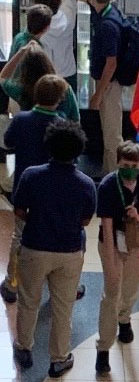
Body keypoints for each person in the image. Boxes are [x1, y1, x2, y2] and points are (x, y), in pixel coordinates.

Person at [12, 120, 96, 378]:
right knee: (63, 307)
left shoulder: (31, 175)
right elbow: (85, 221)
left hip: (35, 247)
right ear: (78, 150)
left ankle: (24, 347)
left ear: (49, 146)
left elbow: (19, 210)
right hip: (69, 251)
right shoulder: (86, 184)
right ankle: (59, 359)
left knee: (28, 301)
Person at [47, 0, 123, 173]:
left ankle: (113, 178)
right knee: (109, 133)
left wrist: (98, 94)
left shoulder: (109, 25)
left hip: (109, 83)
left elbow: (111, 63)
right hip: (104, 80)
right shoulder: (104, 7)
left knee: (112, 136)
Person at [0, 74, 65, 304]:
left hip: (24, 189)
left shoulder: (22, 120)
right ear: (59, 99)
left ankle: (12, 283)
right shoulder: (62, 122)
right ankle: (55, 282)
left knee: (19, 236)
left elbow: (7, 143)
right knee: (53, 235)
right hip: (54, 191)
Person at [95, 141, 139, 374]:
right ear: (118, 163)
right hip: (113, 243)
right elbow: (106, 228)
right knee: (111, 293)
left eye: (134, 165)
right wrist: (110, 264)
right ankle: (103, 348)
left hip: (137, 242)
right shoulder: (108, 185)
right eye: (125, 165)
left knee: (131, 288)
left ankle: (124, 319)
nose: (130, 169)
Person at [0, 41, 80, 120]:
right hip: (59, 131)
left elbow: (3, 77)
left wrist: (21, 51)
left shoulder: (21, 90)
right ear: (48, 63)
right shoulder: (64, 89)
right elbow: (75, 119)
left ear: (24, 70)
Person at [34, 0, 78, 93]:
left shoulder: (37, 25)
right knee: (69, 111)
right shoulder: (67, 16)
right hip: (68, 75)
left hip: (45, 77)